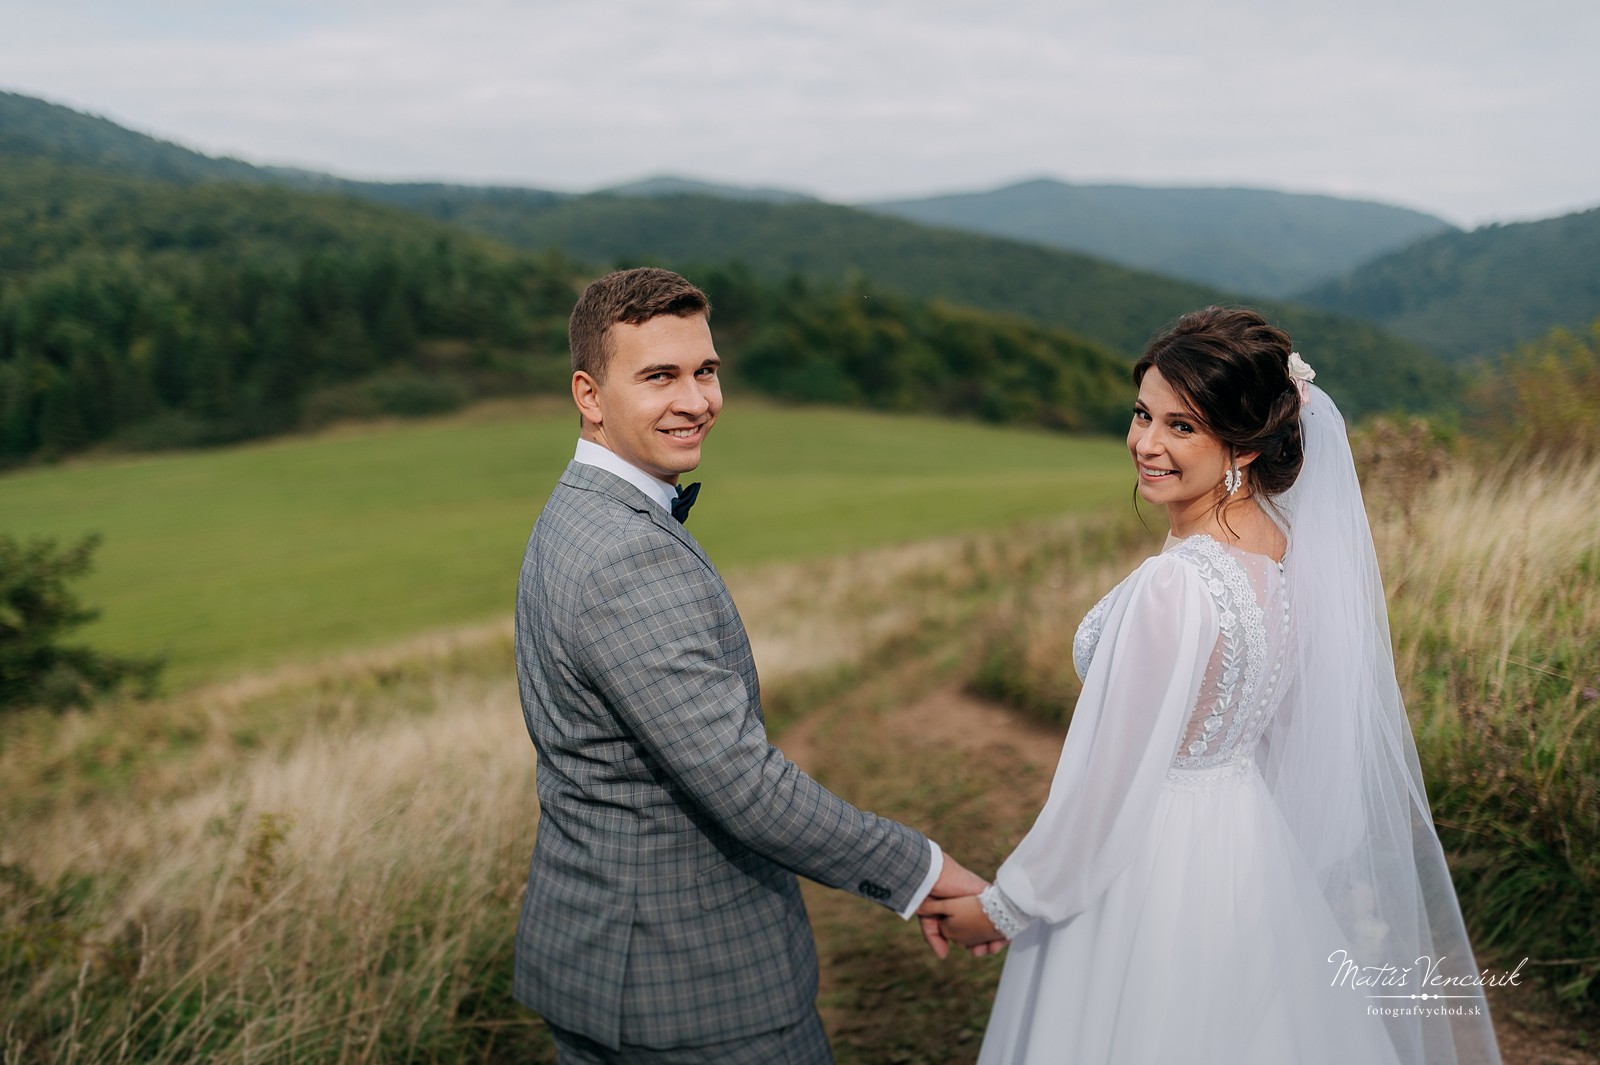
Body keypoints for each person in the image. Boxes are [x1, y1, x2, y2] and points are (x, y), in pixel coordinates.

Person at [924, 308, 1503, 1064]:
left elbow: (1108, 785)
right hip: (1244, 844)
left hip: (1149, 864)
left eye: (1182, 426)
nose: (1146, 443)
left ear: (1246, 442)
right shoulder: (1283, 553)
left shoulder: (1177, 584)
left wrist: (1004, 907)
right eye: (1142, 414)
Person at [512, 267, 998, 1065]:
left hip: (606, 964)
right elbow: (745, 787)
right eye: (659, 376)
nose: (696, 398)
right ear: (589, 394)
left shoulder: (575, 512)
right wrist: (922, 870)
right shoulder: (627, 554)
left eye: (705, 370)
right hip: (692, 989)